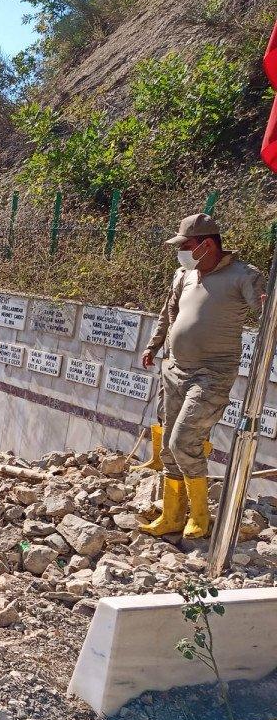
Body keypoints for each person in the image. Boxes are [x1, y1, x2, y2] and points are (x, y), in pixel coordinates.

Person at [139, 213, 265, 539]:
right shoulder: (184, 275)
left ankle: (200, 515)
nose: (180, 251)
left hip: (212, 375)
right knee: (168, 446)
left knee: (184, 443)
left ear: (206, 244)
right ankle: (171, 516)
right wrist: (154, 347)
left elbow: (266, 313)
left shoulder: (244, 276)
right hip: (175, 369)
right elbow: (170, 314)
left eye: (186, 245)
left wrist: (266, 302)